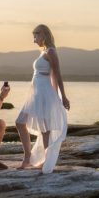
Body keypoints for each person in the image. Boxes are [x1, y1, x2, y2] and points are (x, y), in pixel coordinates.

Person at [15, 24, 70, 173]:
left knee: (44, 129)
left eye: (35, 36)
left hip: (43, 94)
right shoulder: (44, 52)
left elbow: (57, 75)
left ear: (43, 35)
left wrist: (61, 97)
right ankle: (28, 158)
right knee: (21, 122)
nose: (34, 40)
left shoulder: (51, 51)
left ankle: (42, 161)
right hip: (35, 94)